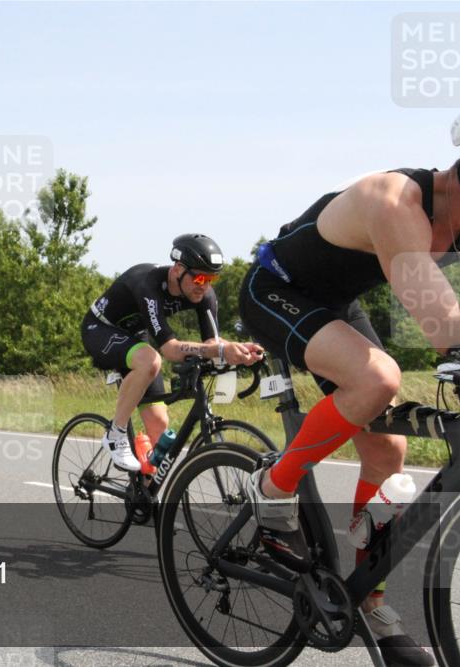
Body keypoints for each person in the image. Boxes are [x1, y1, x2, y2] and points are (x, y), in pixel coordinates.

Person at [238, 155, 460, 665]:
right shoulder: (396, 202)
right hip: (275, 288)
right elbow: (441, 322)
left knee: (388, 448)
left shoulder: (452, 214)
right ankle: (272, 487)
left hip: (335, 303)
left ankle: (370, 604)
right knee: (378, 378)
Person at [82, 234, 263, 470]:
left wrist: (239, 350)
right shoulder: (148, 283)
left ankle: (145, 496)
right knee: (151, 359)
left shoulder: (203, 294)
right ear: (178, 269)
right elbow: (170, 349)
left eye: (211, 279)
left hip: (135, 335)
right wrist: (218, 349)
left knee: (159, 423)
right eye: (199, 277)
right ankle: (115, 434)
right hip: (100, 328)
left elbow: (213, 342)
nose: (205, 285)